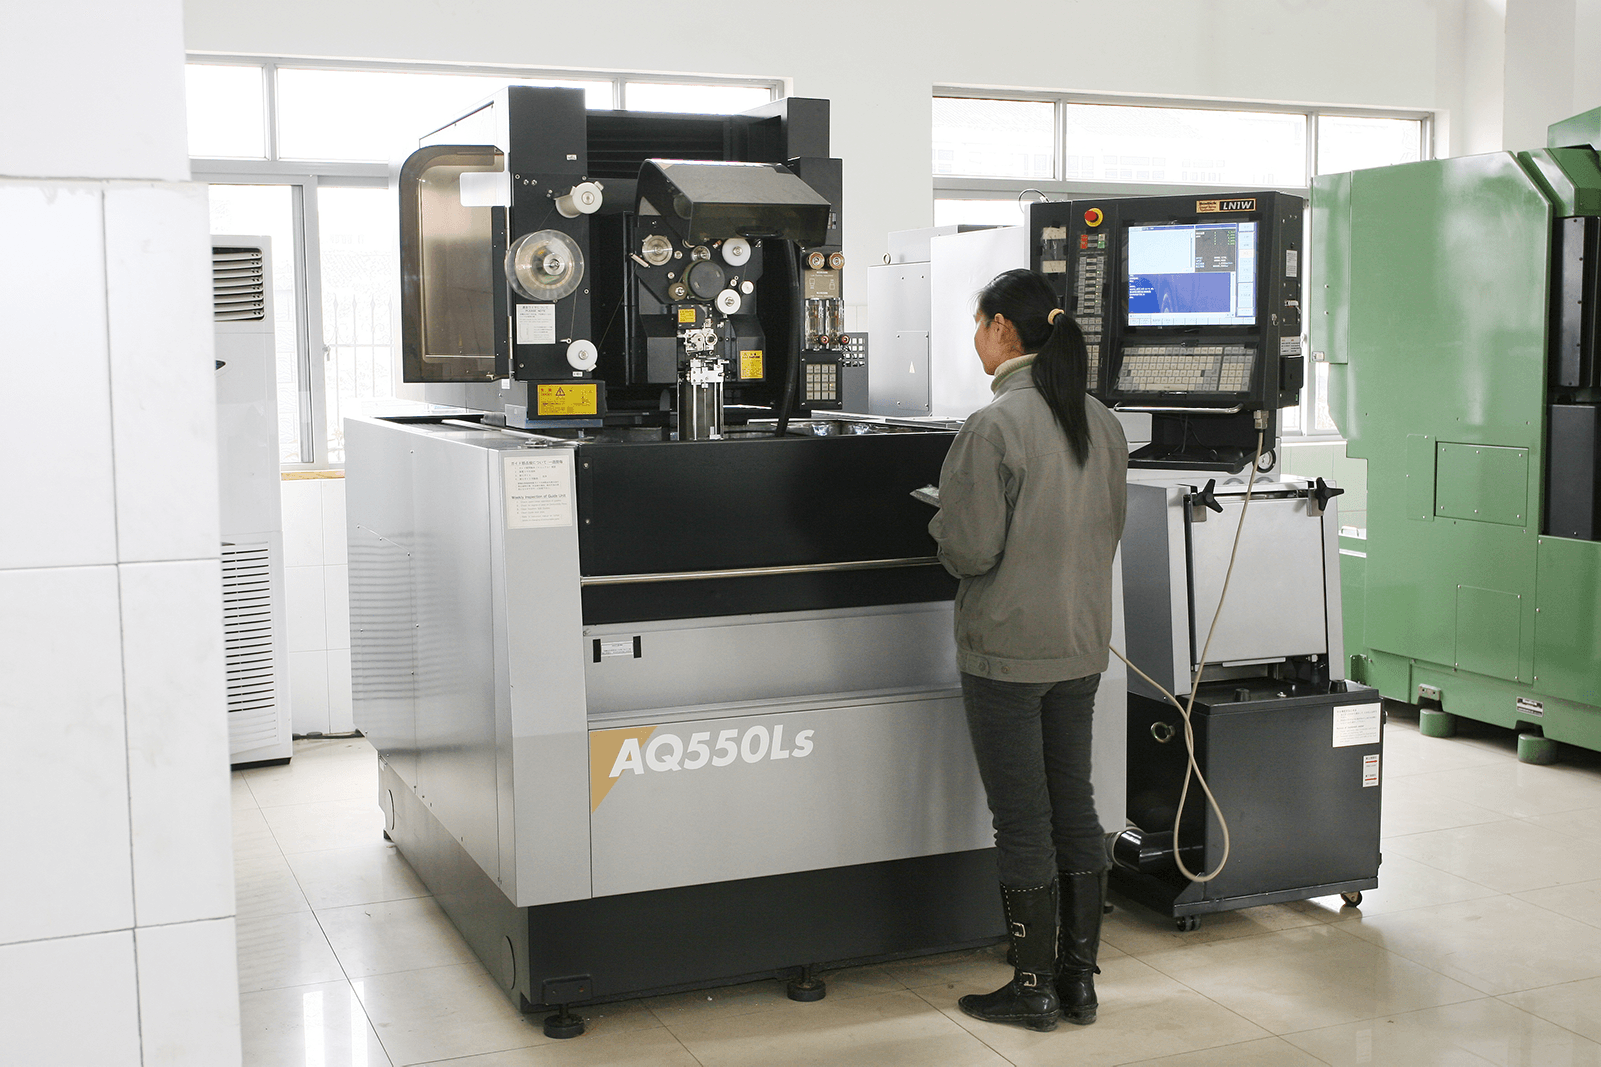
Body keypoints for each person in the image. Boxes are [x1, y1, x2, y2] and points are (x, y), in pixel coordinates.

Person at [928, 268, 1128, 1032]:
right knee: (1074, 806)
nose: (975, 339)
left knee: (1021, 819)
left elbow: (969, 551)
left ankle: (1032, 987)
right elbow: (1106, 528)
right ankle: (1078, 982)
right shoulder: (1101, 420)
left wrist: (940, 519)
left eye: (978, 325)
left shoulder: (994, 426)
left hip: (1006, 654)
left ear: (1001, 329)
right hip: (1078, 646)